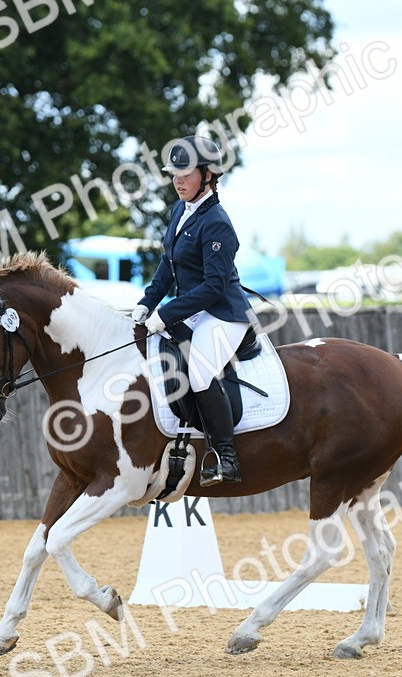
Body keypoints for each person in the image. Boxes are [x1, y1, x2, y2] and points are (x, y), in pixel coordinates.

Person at [132, 135, 251, 486]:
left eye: (185, 174)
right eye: (173, 174)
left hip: (224, 313)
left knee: (199, 373)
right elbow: (167, 267)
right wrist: (147, 302)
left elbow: (214, 287)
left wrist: (167, 314)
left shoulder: (217, 222)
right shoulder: (179, 211)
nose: (177, 180)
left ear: (208, 175)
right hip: (194, 310)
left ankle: (227, 457)